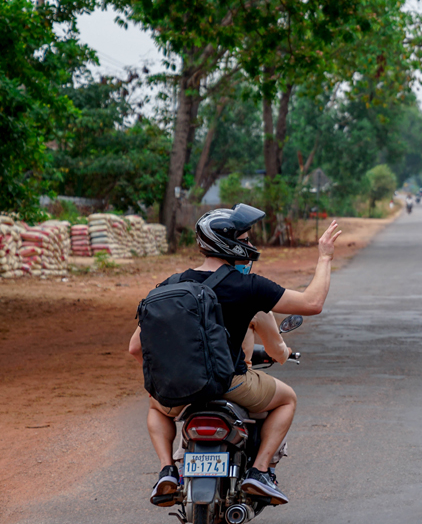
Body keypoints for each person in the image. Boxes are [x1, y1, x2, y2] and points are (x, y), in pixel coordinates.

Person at [129, 204, 341, 507]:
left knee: (156, 408)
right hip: (231, 383)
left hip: (182, 387)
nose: (251, 245)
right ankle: (259, 471)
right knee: (287, 399)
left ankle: (167, 470)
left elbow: (136, 347)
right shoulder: (248, 286)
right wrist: (325, 256)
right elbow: (312, 302)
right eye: (246, 238)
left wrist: (165, 378)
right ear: (230, 243)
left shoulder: (170, 285)